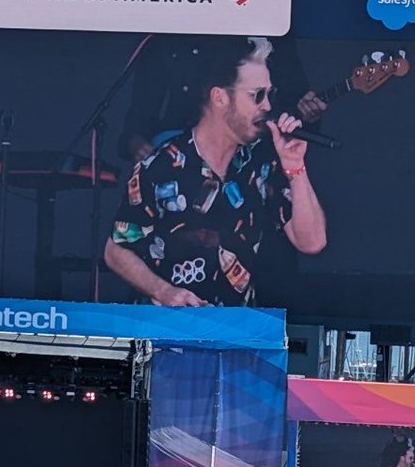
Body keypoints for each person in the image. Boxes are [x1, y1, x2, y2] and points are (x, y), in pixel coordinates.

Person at [104, 35, 326, 308]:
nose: (267, 106)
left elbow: (312, 242)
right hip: (165, 333)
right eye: (257, 95)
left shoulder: (262, 165)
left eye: (270, 95)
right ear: (220, 97)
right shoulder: (160, 165)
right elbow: (115, 249)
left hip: (236, 333)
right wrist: (164, 292)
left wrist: (295, 166)